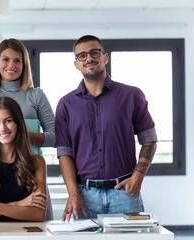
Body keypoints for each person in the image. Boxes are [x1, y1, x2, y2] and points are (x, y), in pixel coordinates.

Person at [55, 35, 157, 220]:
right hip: (84, 197)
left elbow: (149, 139)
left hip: (125, 195)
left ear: (105, 57)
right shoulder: (65, 104)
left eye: (94, 53)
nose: (89, 58)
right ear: (76, 64)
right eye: (82, 55)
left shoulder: (131, 95)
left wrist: (138, 177)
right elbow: (64, 153)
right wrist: (73, 193)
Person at [0, 38, 55, 219]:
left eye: (17, 60)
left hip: (30, 174)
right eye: (6, 59)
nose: (12, 65)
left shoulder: (36, 96)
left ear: (24, 64)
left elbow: (55, 137)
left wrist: (21, 134)